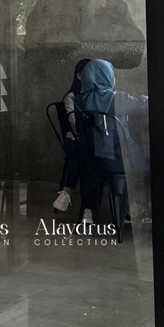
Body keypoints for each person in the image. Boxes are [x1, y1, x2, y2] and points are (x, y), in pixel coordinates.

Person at [74, 58, 150, 221]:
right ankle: (135, 207)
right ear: (107, 77)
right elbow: (145, 109)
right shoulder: (118, 98)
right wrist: (146, 99)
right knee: (150, 163)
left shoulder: (79, 100)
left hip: (91, 160)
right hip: (117, 160)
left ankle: (123, 207)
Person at [52, 58, 91, 220]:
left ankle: (68, 191)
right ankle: (87, 207)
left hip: (89, 141)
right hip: (75, 138)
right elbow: (74, 124)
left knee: (84, 153)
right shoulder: (72, 97)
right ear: (79, 76)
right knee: (81, 152)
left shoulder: (96, 95)